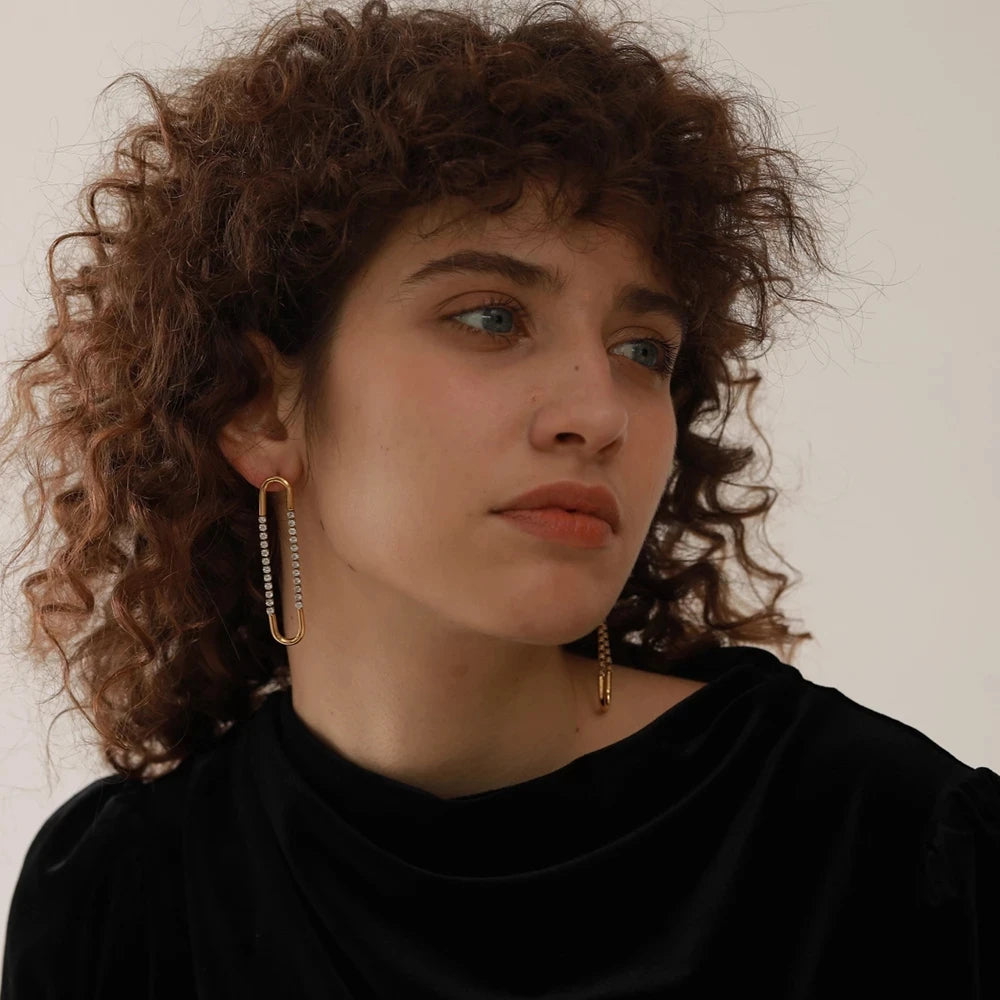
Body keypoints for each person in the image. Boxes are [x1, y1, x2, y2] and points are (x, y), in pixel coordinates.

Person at [1, 1, 997, 997]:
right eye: (489, 316)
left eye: (641, 350)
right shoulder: (119, 900)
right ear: (263, 407)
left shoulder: (888, 846)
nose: (598, 410)